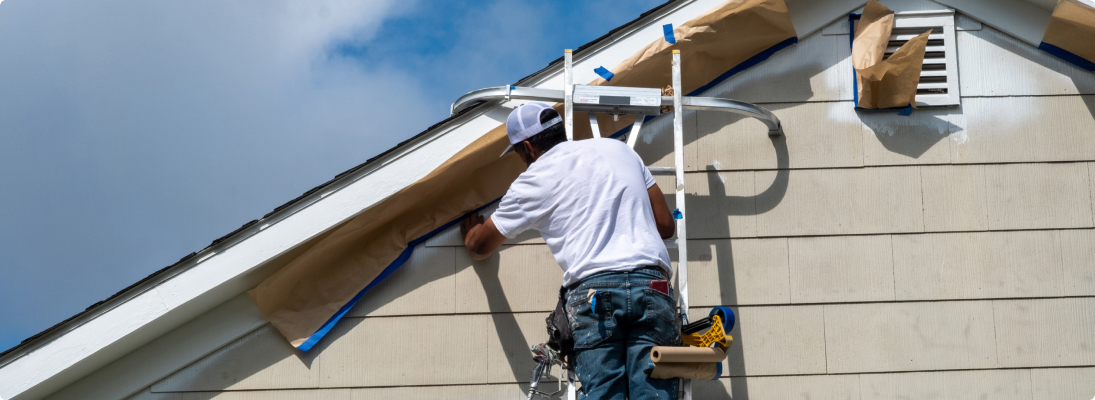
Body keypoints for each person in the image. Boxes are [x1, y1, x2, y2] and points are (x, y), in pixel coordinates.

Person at [460, 103, 679, 400]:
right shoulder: (619, 150)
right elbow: (666, 226)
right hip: (652, 285)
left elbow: (480, 247)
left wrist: (471, 231)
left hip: (594, 293)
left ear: (527, 147)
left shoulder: (533, 181)